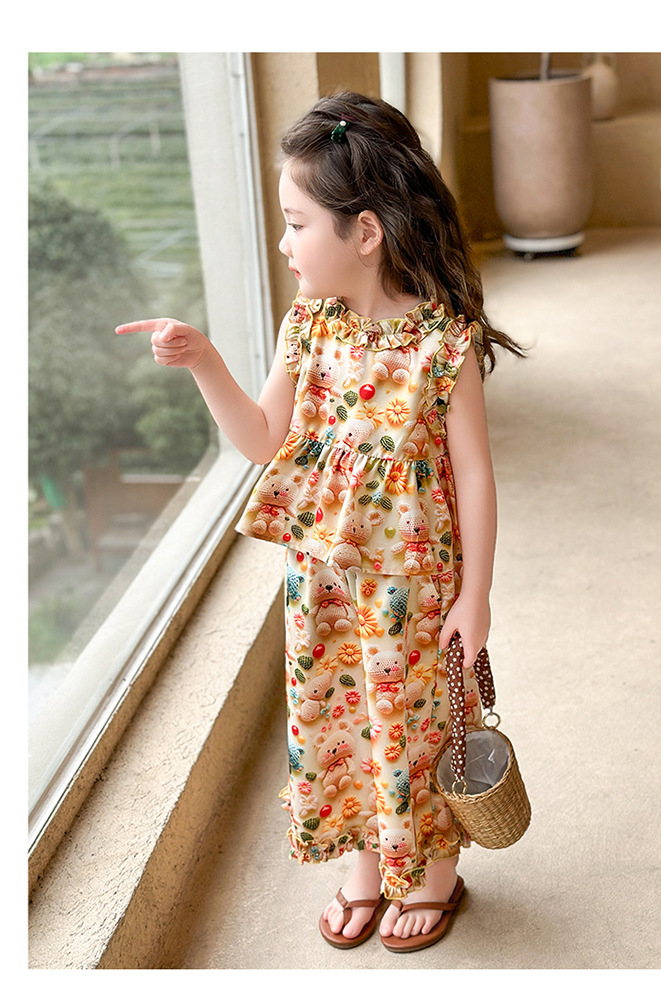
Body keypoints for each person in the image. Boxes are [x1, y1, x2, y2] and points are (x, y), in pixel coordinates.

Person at [116, 91, 524, 953]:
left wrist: (476, 597)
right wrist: (205, 360)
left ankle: (434, 872)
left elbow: (476, 476)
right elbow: (264, 439)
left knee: (414, 723)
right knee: (341, 723)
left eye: (297, 224)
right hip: (324, 589)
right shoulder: (307, 329)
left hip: (413, 593)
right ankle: (366, 864)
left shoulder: (441, 344)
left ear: (364, 232)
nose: (283, 243)